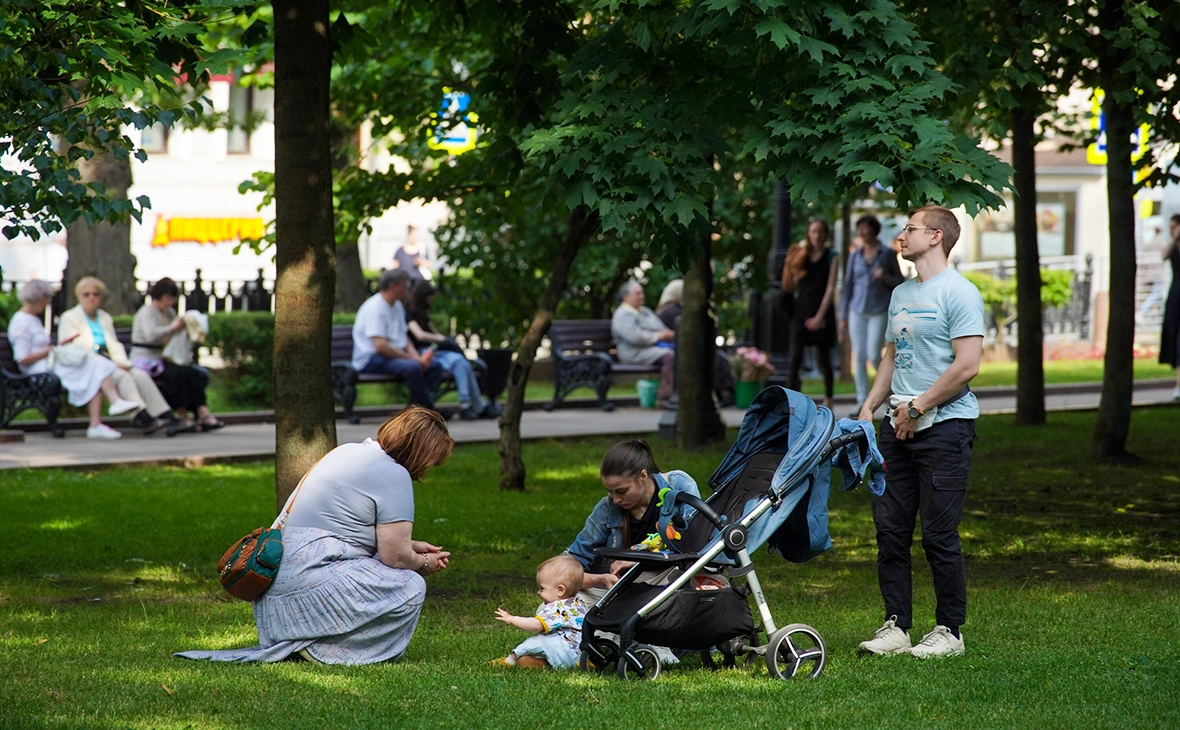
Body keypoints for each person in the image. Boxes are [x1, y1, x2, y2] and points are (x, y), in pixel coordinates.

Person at [176, 406, 454, 665]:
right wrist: (423, 563)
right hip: (308, 578)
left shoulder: (347, 452)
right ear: (419, 452)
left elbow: (355, 530)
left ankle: (306, 640)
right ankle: (329, 650)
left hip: (273, 585)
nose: (427, 469)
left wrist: (411, 546)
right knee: (409, 585)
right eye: (431, 461)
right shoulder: (394, 474)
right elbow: (394, 557)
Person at [855, 205, 984, 659]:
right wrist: (870, 406)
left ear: (935, 237)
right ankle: (897, 626)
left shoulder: (960, 293)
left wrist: (918, 406)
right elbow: (892, 357)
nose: (901, 236)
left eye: (909, 229)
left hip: (945, 428)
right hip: (897, 424)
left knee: (938, 534)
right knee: (890, 530)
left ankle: (949, 631)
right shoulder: (901, 293)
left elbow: (967, 366)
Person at [564, 439, 700, 666]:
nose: (615, 499)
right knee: (566, 599)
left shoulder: (678, 484)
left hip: (670, 580)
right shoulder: (608, 508)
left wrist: (635, 556)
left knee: (677, 581)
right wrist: (597, 579)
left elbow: (694, 542)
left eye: (622, 491)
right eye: (610, 491)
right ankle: (575, 643)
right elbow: (574, 559)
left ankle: (643, 643)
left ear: (643, 476)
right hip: (622, 588)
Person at [7, 279, 140, 439]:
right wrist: (51, 350)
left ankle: (102, 417)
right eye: (46, 299)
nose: (46, 303)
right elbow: (23, 359)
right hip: (39, 371)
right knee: (94, 365)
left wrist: (59, 347)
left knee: (94, 366)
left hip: (48, 364)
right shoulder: (21, 322)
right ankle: (106, 410)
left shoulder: (31, 319)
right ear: (39, 299)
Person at [58, 276, 174, 435]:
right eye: (87, 294)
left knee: (139, 375)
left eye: (96, 294)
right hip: (87, 365)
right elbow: (76, 350)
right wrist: (111, 363)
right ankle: (140, 416)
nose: (92, 298)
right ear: (78, 296)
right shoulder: (69, 318)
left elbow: (114, 345)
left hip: (109, 362)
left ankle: (162, 413)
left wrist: (121, 361)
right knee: (121, 376)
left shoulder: (104, 317)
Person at [131, 278, 224, 434]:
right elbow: (151, 336)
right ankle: (182, 415)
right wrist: (173, 328)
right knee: (177, 374)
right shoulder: (147, 312)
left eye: (172, 299)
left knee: (192, 373)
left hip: (165, 358)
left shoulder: (169, 313)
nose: (170, 302)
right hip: (147, 359)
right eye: (167, 298)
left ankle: (202, 412)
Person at [352, 269, 445, 412]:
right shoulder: (375, 308)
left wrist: (417, 357)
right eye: (404, 285)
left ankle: (416, 409)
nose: (407, 289)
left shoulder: (397, 306)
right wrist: (414, 360)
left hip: (391, 355)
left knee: (435, 366)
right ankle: (427, 409)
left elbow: (404, 337)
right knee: (412, 368)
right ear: (393, 286)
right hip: (371, 359)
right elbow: (380, 346)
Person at [406, 281, 500, 420]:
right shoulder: (409, 312)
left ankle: (469, 404)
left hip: (433, 351)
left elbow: (433, 331)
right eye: (431, 297)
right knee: (458, 361)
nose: (433, 300)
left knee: (462, 363)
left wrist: (447, 340)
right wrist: (442, 340)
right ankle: (473, 405)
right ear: (425, 296)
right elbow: (420, 334)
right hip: (421, 353)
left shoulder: (424, 313)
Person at [840, 215, 906, 409]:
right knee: (859, 355)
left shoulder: (887, 253)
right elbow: (848, 285)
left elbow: (899, 282)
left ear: (874, 230)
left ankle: (888, 392)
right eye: (859, 228)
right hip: (857, 309)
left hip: (878, 309)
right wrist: (843, 316)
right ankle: (862, 399)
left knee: (873, 353)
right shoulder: (855, 255)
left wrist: (884, 277)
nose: (862, 232)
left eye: (866, 228)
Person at [782, 218, 840, 409]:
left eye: (820, 232)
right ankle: (793, 402)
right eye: (813, 231)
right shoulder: (802, 254)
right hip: (801, 310)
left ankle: (829, 400)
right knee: (794, 359)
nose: (817, 236)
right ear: (809, 233)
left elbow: (830, 288)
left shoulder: (832, 256)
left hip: (821, 310)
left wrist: (820, 317)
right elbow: (793, 284)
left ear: (826, 235)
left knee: (824, 359)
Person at [493, 555, 588, 669]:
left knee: (535, 642)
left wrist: (512, 619)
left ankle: (510, 660)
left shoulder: (557, 608)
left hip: (564, 650)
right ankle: (540, 663)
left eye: (542, 588)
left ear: (560, 590)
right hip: (578, 653)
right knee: (547, 642)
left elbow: (536, 626)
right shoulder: (579, 603)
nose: (538, 592)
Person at [654, 278, 736, 407]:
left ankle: (723, 394)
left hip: (681, 349)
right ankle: (725, 393)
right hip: (683, 350)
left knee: (717, 356)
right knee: (715, 358)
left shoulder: (667, 309)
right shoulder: (671, 311)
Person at [611, 280, 675, 406]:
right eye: (638, 294)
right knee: (670, 356)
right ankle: (665, 396)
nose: (642, 296)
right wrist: (658, 336)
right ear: (626, 297)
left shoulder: (644, 311)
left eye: (642, 293)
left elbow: (660, 327)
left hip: (651, 348)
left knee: (682, 353)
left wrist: (668, 334)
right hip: (633, 352)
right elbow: (634, 337)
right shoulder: (622, 314)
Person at [1160, 214, 1180, 401]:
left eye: (1174, 227)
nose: (1172, 231)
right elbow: (1164, 255)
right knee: (1176, 340)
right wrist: (1174, 239)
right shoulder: (1172, 247)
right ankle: (1178, 384)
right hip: (1176, 295)